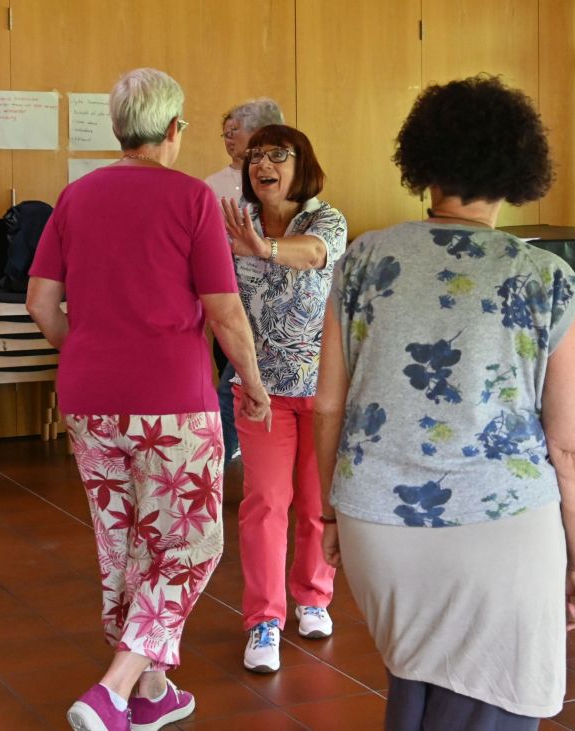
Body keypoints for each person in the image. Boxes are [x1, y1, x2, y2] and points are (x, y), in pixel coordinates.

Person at [314, 75, 575, 729]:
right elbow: (573, 445)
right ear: (517, 169)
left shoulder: (363, 260)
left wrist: (330, 512)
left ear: (424, 163)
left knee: (418, 683)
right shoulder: (547, 279)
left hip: (376, 523)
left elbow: (328, 407)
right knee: (488, 699)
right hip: (499, 527)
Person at [26, 67, 271, 731]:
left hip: (88, 397)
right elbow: (224, 310)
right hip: (172, 400)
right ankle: (112, 689)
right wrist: (252, 382)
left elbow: (41, 302)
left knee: (124, 543)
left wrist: (87, 347)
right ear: (172, 129)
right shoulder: (191, 198)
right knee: (191, 543)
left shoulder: (75, 196)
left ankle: (151, 690)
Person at [221, 124, 347, 673]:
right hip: (258, 388)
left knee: (317, 503)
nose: (262, 165)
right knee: (266, 503)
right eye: (254, 156)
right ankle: (263, 619)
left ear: (302, 165)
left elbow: (317, 254)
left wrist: (264, 249)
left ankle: (313, 598)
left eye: (277, 154)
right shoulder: (234, 223)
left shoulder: (326, 219)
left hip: (324, 389)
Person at [204, 98, 284, 467]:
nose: (229, 139)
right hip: (231, 294)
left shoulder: (286, 184)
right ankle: (227, 454)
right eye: (225, 133)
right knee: (232, 377)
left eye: (235, 131)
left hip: (275, 303)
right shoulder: (212, 186)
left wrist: (263, 249)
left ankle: (225, 456)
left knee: (235, 383)